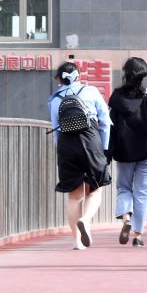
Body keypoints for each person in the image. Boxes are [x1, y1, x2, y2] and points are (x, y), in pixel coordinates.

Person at [107, 57, 147, 247]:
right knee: (142, 193)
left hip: (124, 152)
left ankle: (126, 216)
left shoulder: (116, 98)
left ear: (125, 73)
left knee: (124, 188)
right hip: (146, 151)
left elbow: (110, 128)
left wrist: (107, 155)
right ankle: (138, 235)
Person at [48, 62, 112, 250]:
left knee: (74, 196)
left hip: (67, 145)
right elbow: (105, 122)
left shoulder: (54, 98)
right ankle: (86, 219)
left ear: (59, 79)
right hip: (91, 141)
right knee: (96, 188)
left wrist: (60, 151)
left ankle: (77, 241)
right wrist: (105, 148)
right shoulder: (91, 91)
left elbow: (56, 130)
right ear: (78, 75)